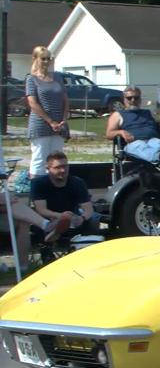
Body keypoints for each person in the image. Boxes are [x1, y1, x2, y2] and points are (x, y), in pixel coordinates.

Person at [25, 46, 69, 178]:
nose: (46, 62)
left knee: (57, 160)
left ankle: (55, 192)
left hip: (59, 125)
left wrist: (64, 120)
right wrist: (50, 121)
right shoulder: (31, 79)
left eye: (48, 59)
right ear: (35, 59)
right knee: (39, 159)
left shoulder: (57, 77)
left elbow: (65, 100)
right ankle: (36, 194)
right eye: (43, 59)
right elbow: (33, 103)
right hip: (40, 125)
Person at [30, 151, 99, 235]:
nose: (63, 170)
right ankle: (51, 239)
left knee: (94, 218)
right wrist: (60, 216)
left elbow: (88, 208)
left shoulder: (77, 182)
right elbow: (41, 210)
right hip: (49, 218)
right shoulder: (38, 183)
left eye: (65, 166)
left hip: (72, 216)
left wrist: (82, 218)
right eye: (58, 167)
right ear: (48, 168)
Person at [105, 86, 160, 162]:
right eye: (129, 98)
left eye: (136, 98)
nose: (133, 100)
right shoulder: (118, 115)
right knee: (141, 147)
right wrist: (121, 132)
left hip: (153, 140)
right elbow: (109, 134)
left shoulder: (149, 113)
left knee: (159, 144)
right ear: (124, 99)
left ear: (140, 99)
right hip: (134, 143)